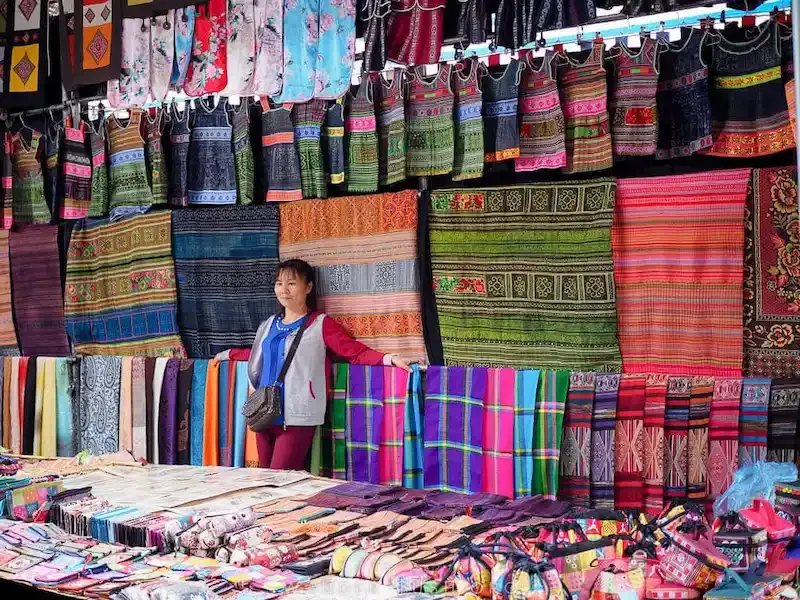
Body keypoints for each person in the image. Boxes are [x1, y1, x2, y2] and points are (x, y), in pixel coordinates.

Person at [216, 258, 419, 470]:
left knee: (280, 479)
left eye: (292, 283)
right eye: (279, 283)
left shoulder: (321, 324)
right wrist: (229, 354)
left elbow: (353, 351)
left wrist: (389, 358)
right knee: (267, 480)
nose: (284, 289)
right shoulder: (268, 325)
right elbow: (260, 355)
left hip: (297, 416)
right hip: (263, 413)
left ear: (309, 287)